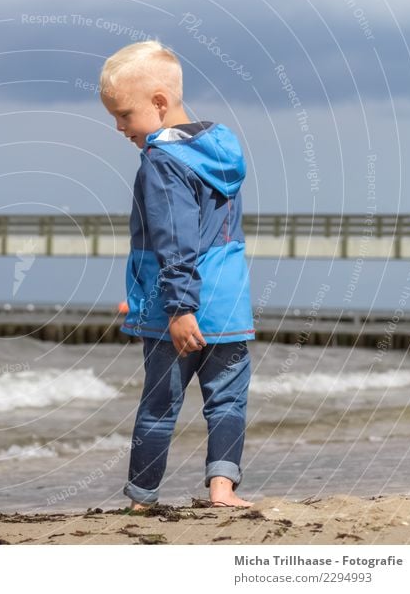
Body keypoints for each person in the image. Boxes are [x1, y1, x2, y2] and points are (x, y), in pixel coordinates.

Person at [99, 40, 256, 509]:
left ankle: (143, 497)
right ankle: (222, 489)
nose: (119, 127)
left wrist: (180, 306)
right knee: (227, 399)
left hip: (180, 307)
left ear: (159, 103)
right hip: (229, 302)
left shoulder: (162, 164)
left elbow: (176, 240)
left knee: (159, 407)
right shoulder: (221, 151)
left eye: (124, 114)